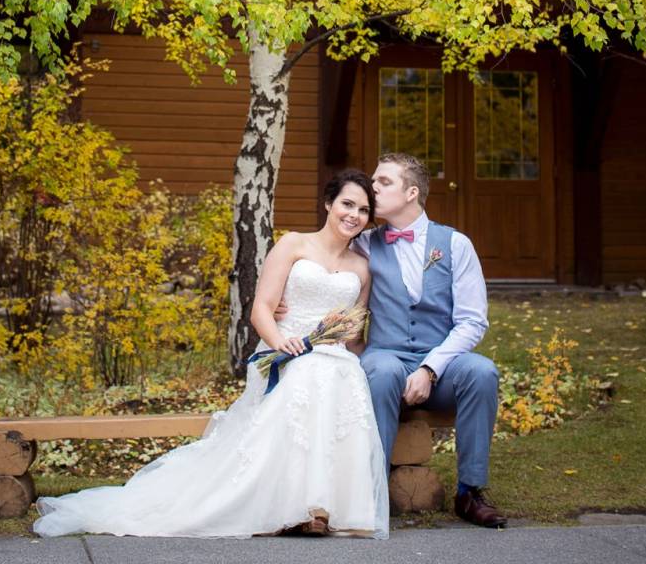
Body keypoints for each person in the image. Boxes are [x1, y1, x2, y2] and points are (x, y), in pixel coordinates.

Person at [34, 169, 389, 539]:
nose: (354, 215)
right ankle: (295, 506)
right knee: (308, 374)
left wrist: (345, 345)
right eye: (347, 204)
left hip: (332, 356)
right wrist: (282, 342)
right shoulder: (294, 245)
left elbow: (352, 328)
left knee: (345, 376)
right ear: (329, 203)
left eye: (363, 210)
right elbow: (261, 310)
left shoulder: (361, 267)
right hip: (285, 350)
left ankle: (330, 507)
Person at [357, 152, 507, 529]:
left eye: (383, 182)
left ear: (411, 192)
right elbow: (328, 273)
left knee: (482, 372)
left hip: (441, 363)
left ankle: (469, 492)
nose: (372, 188)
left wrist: (430, 368)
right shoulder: (362, 243)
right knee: (382, 370)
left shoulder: (456, 245)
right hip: (386, 355)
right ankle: (369, 491)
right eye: (372, 182)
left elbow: (473, 322)